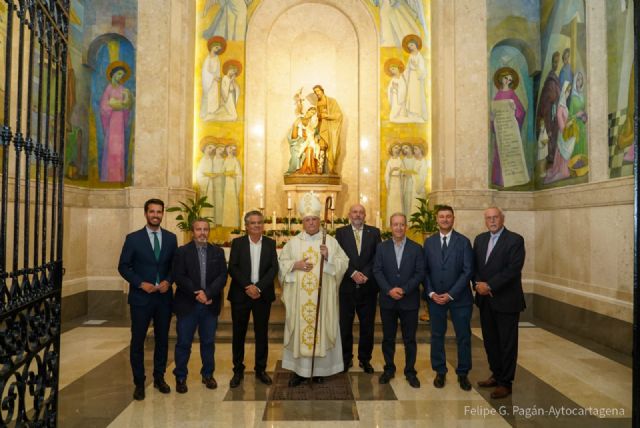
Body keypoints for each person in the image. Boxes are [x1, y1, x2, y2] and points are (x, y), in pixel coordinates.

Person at [278, 192, 349, 386]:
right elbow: (282, 264)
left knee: (321, 330)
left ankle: (319, 370)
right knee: (300, 331)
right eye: (307, 219)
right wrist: (295, 265)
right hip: (299, 300)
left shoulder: (330, 242)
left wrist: (329, 258)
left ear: (319, 221)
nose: (311, 222)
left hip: (323, 299)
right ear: (303, 221)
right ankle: (299, 372)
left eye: (314, 219)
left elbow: (344, 263)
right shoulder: (293, 243)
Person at [118, 198, 177, 401]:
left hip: (163, 298)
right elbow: (123, 266)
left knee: (162, 340)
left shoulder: (171, 238)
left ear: (163, 214)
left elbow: (173, 267)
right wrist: (140, 283)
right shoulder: (133, 238)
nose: (155, 215)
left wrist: (169, 281)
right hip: (141, 298)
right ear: (146, 214)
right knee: (138, 341)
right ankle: (139, 382)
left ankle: (159, 377)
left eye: (159, 212)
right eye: (152, 211)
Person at [473, 207, 526, 399]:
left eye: (495, 217)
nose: (492, 221)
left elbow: (513, 269)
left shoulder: (515, 240)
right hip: (485, 300)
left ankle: (506, 382)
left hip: (506, 301)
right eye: (488, 218)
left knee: (507, 343)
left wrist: (490, 285)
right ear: (485, 220)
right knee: (491, 341)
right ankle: (496, 374)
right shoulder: (480, 239)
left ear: (502, 218)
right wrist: (478, 284)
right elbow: (475, 266)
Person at [172, 219, 227, 393]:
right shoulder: (182, 252)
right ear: (192, 232)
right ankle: (180, 376)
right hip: (188, 304)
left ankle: (208, 375)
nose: (202, 233)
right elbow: (179, 276)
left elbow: (222, 277)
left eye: (205, 229)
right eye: (198, 229)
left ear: (209, 231)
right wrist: (198, 293)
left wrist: (208, 294)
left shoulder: (217, 252)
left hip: (209, 305)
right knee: (183, 343)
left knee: (208, 342)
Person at [423, 206, 474, 391]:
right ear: (436, 219)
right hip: (435, 299)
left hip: (460, 299)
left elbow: (468, 271)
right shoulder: (429, 243)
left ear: (453, 219)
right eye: (441, 217)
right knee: (437, 335)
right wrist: (431, 293)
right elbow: (424, 270)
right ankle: (440, 371)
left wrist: (451, 293)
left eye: (448, 216)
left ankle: (463, 373)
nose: (445, 219)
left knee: (463, 336)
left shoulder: (463, 242)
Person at [373, 213, 424, 388]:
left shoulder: (417, 248)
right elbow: (377, 271)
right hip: (388, 301)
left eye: (402, 224)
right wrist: (388, 290)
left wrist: (404, 289)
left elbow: (419, 273)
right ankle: (389, 369)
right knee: (388, 338)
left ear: (406, 227)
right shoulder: (381, 248)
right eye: (395, 224)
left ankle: (410, 371)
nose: (399, 228)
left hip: (409, 301)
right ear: (390, 227)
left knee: (409, 339)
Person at [228, 211, 278, 388]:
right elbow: (232, 267)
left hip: (262, 295)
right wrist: (247, 286)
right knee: (238, 333)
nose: (257, 226)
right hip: (241, 295)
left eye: (259, 223)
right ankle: (238, 369)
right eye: (253, 223)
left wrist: (258, 287)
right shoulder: (238, 243)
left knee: (262, 333)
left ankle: (261, 369)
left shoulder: (271, 243)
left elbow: (273, 269)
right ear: (246, 226)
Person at [335, 204, 382, 374]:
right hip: (347, 286)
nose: (358, 215)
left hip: (368, 287)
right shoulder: (341, 233)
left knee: (367, 326)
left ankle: (365, 359)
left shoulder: (374, 232)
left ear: (365, 215)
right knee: (345, 325)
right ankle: (346, 359)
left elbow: (378, 256)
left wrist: (366, 274)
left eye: (361, 212)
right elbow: (337, 257)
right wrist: (353, 273)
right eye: (355, 212)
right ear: (349, 214)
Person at [491, 67, 526, 187]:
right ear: (501, 78)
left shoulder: (512, 93)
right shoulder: (497, 94)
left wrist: (515, 110)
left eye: (510, 80)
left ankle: (510, 180)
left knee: (509, 153)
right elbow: (494, 111)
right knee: (499, 153)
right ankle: (498, 179)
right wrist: (493, 119)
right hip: (501, 129)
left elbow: (521, 111)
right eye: (506, 78)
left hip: (509, 130)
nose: (507, 81)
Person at [100, 61, 132, 182]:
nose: (119, 77)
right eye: (118, 74)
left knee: (119, 150)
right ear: (113, 74)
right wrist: (112, 105)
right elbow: (103, 106)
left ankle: (119, 178)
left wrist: (125, 105)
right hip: (112, 121)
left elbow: (127, 106)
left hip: (119, 122)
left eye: (121, 75)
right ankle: (108, 177)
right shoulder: (108, 88)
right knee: (111, 148)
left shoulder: (123, 89)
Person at [537, 51, 561, 165]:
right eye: (554, 62)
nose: (556, 64)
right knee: (550, 133)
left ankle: (553, 157)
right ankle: (550, 158)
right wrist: (554, 97)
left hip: (554, 109)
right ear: (552, 63)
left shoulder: (554, 76)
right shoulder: (551, 78)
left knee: (554, 134)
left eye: (557, 62)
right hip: (550, 111)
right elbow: (548, 95)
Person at [313, 85, 343, 174]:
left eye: (318, 91)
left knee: (332, 150)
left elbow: (339, 115)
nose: (317, 93)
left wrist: (327, 116)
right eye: (315, 92)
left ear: (322, 91)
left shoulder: (331, 101)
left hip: (329, 128)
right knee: (321, 147)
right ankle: (320, 169)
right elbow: (317, 115)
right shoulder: (317, 103)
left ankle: (330, 169)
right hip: (320, 127)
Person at [196, 139, 225, 224]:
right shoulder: (203, 159)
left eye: (212, 149)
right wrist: (209, 175)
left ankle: (211, 222)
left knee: (212, 202)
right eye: (209, 148)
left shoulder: (210, 159)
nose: (211, 150)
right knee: (206, 203)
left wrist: (214, 175)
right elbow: (200, 172)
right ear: (204, 148)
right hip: (206, 183)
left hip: (211, 184)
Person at [402, 35, 427, 123]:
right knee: (410, 94)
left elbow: (422, 70)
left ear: (415, 45)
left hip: (417, 78)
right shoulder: (411, 55)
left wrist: (416, 66)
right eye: (409, 46)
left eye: (411, 45)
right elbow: (408, 66)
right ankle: (410, 113)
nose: (410, 47)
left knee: (416, 94)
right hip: (411, 76)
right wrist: (404, 74)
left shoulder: (420, 57)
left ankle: (417, 113)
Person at [287, 106, 318, 174]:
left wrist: (315, 138)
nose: (312, 114)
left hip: (308, 141)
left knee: (310, 149)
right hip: (297, 142)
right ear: (307, 111)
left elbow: (316, 133)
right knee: (296, 154)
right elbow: (294, 134)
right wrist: (298, 140)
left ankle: (308, 169)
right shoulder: (299, 120)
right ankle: (295, 170)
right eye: (311, 112)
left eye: (314, 113)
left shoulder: (312, 123)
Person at [201, 36, 225, 121]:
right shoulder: (207, 59)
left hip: (214, 82)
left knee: (214, 96)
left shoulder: (217, 58)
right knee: (209, 96)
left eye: (218, 48)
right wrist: (213, 77)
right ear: (212, 47)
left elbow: (217, 70)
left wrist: (218, 77)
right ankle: (207, 113)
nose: (217, 49)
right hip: (209, 81)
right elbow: (205, 72)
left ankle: (213, 113)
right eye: (216, 47)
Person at [222, 144, 241, 228]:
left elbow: (238, 173)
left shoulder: (235, 160)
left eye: (232, 149)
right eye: (229, 148)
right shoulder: (225, 160)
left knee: (233, 201)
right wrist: (226, 173)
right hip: (227, 182)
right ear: (226, 150)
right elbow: (222, 171)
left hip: (233, 182)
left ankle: (233, 222)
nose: (230, 150)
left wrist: (234, 174)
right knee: (227, 201)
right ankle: (226, 222)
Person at [385, 143, 404, 220]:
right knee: (392, 201)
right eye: (395, 147)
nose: (397, 149)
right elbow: (386, 174)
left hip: (398, 182)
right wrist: (392, 171)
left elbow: (403, 171)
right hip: (392, 182)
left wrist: (401, 172)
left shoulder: (400, 160)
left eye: (398, 148)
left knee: (398, 201)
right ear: (392, 149)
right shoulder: (390, 161)